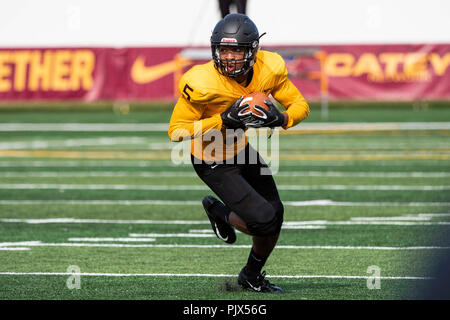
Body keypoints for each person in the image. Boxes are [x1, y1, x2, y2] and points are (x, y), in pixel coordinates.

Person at [168, 13, 310, 293]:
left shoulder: (270, 67)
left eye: (237, 49)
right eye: (224, 49)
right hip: (211, 160)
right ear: (214, 50)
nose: (230, 56)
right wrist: (222, 119)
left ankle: (251, 276)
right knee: (263, 220)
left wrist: (280, 119)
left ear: (253, 51)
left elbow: (300, 105)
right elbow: (176, 131)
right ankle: (219, 211)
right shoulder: (200, 81)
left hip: (241, 149)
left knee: (276, 214)